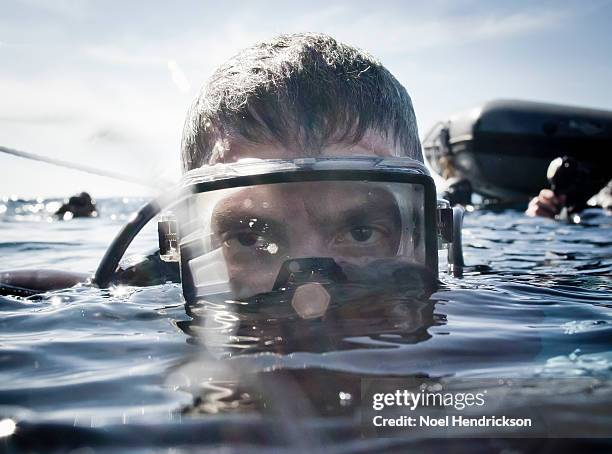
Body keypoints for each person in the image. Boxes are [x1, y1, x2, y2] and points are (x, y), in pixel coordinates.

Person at [2, 33, 436, 297]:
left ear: (434, 235)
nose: (309, 297)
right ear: (183, 247)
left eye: (361, 232)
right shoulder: (160, 281)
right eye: (248, 237)